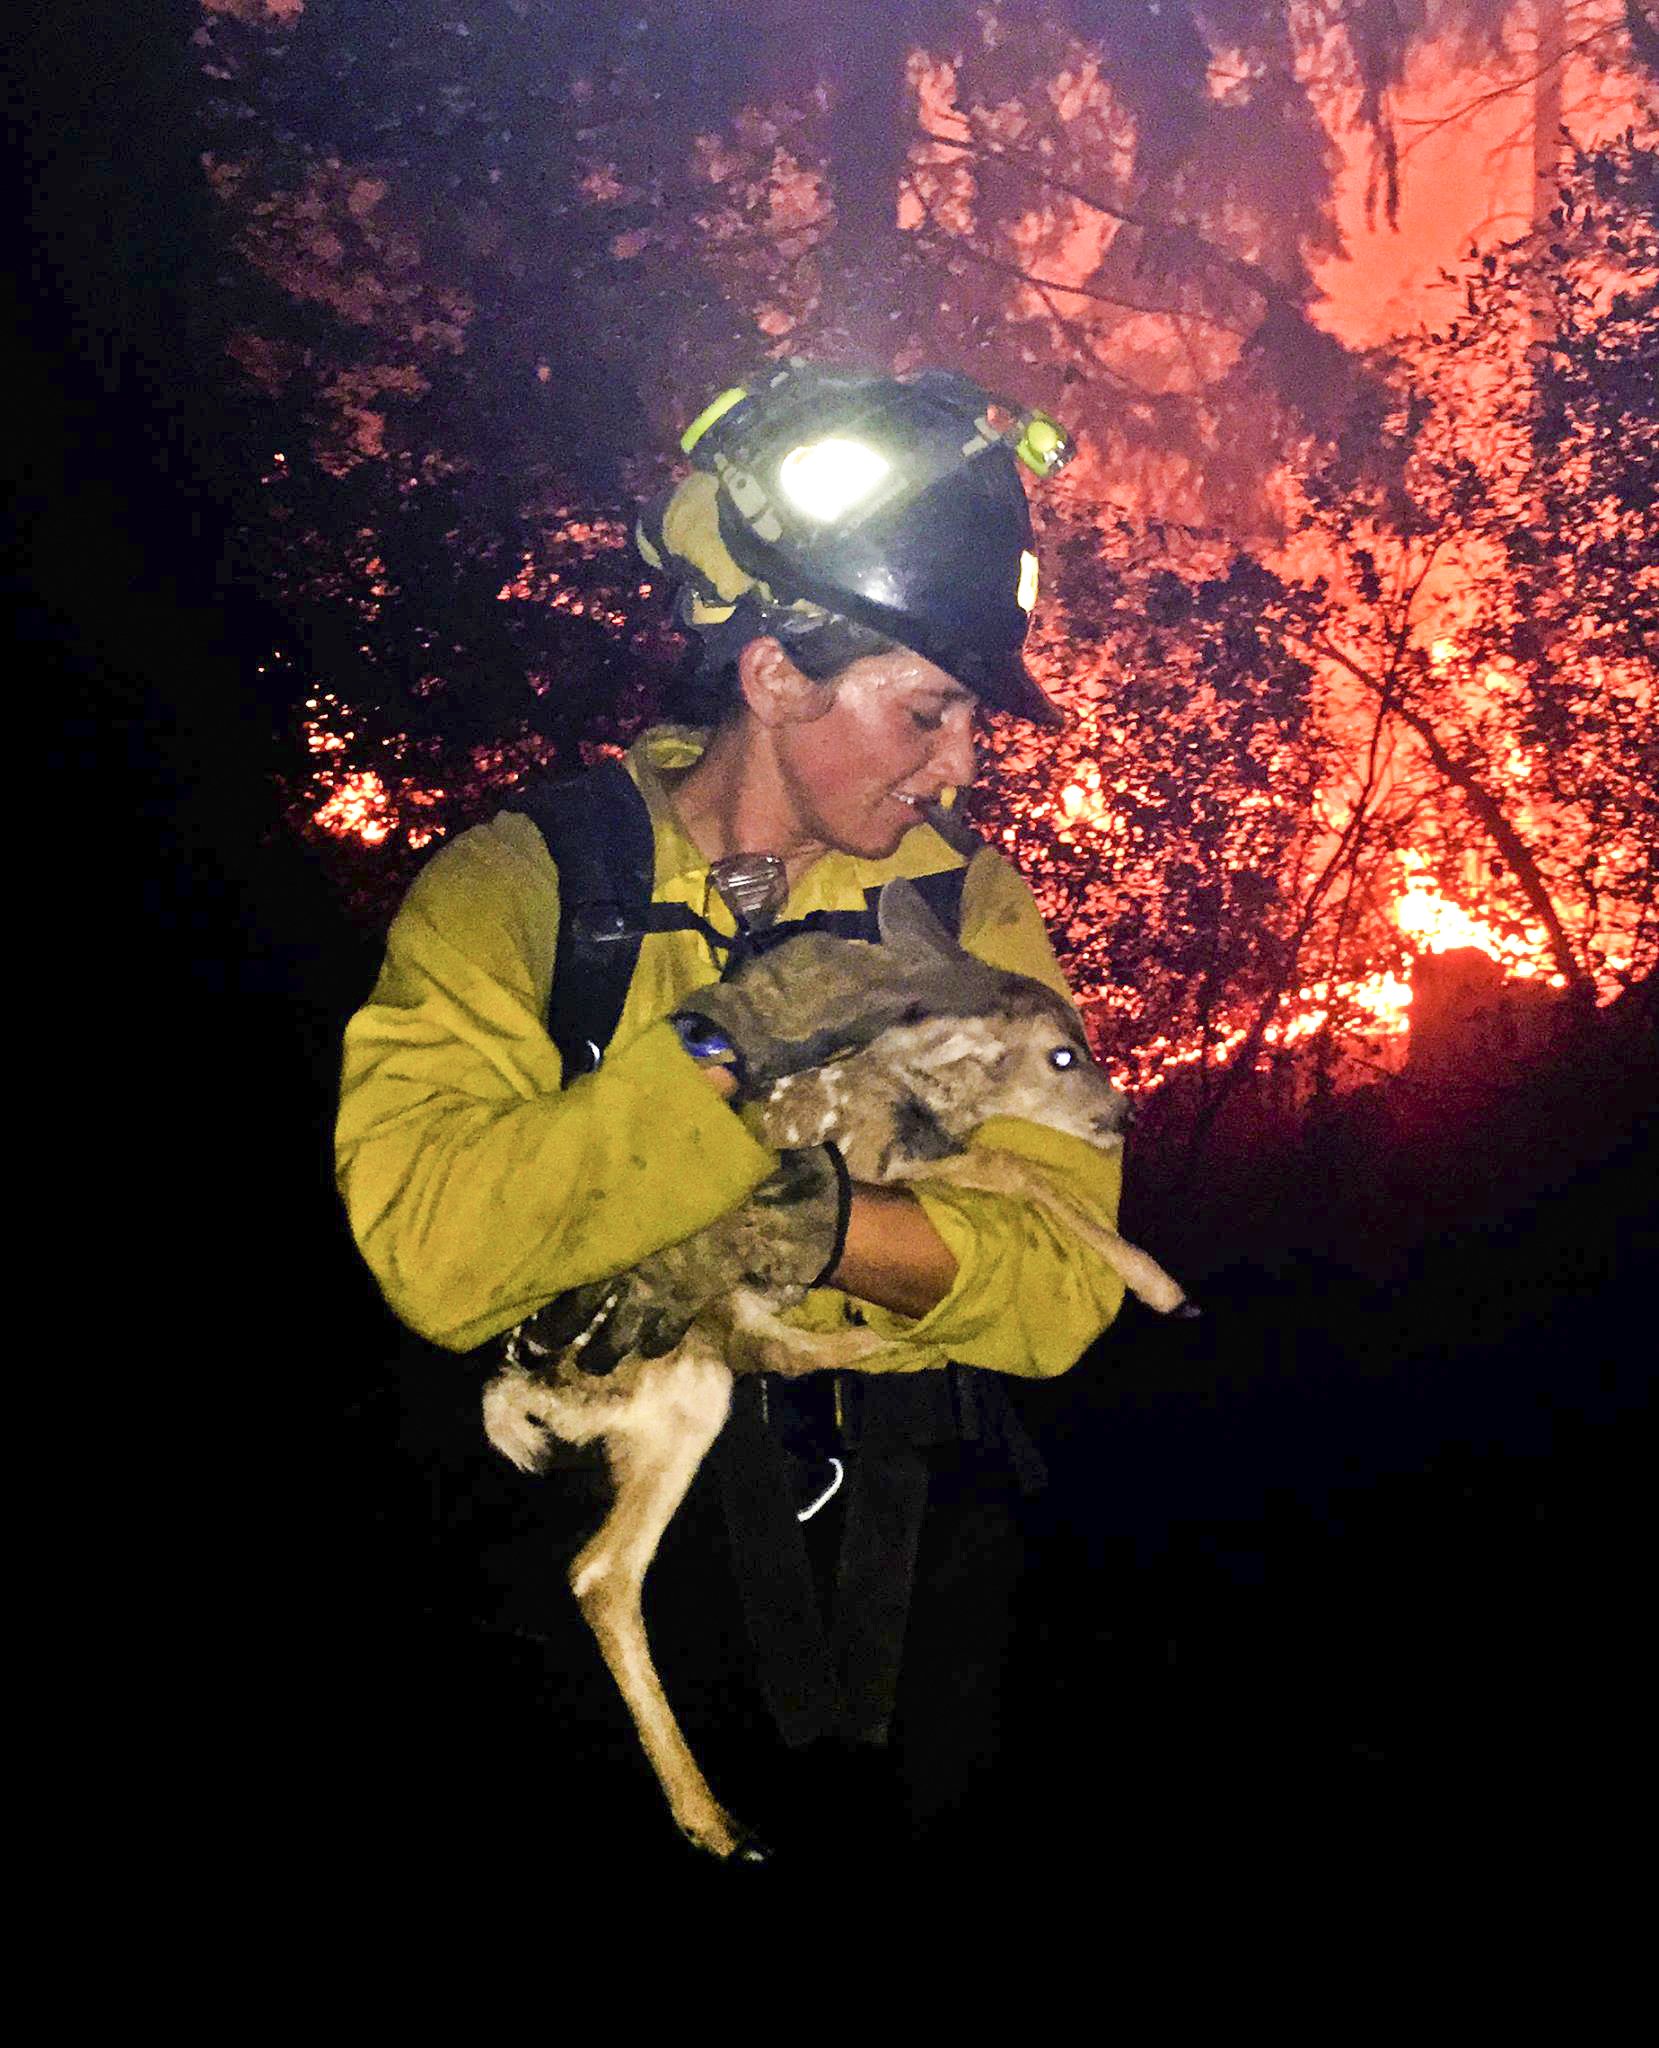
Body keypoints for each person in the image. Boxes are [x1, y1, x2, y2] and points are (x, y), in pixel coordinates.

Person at [335, 362, 1129, 1854]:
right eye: (928, 711)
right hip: (615, 1608)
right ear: (773, 677)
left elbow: (1066, 1285)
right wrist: (732, 1037)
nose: (964, 764)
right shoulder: (528, 890)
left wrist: (816, 1226)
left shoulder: (969, 909)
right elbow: (436, 1257)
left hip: (925, 1610)